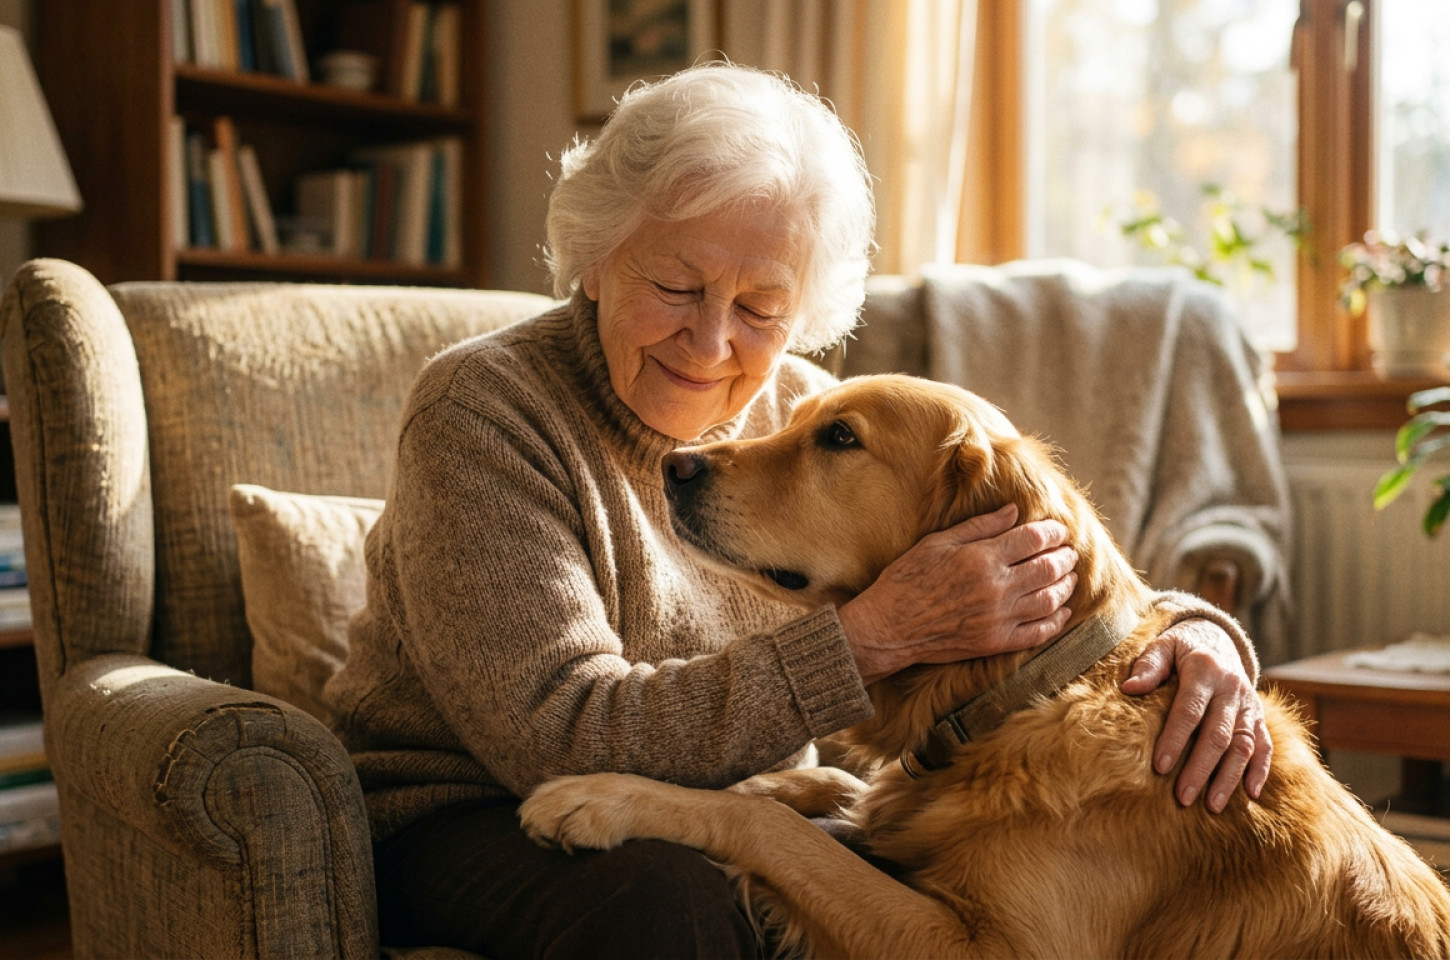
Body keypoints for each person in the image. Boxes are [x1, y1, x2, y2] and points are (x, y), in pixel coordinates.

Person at [324, 62, 1272, 959]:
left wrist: (1194, 633)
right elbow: (558, 734)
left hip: (735, 793)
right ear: (597, 256)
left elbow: (1053, 574)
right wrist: (867, 641)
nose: (712, 340)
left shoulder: (811, 413)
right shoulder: (485, 411)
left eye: (762, 307)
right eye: (676, 286)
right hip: (470, 810)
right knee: (669, 901)